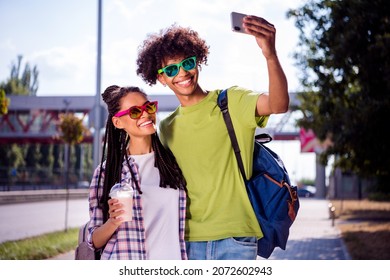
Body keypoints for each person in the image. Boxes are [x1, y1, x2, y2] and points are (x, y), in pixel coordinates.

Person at [135, 15, 289, 260]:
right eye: (171, 69)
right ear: (161, 78)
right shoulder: (165, 128)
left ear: (198, 61)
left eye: (187, 63)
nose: (182, 73)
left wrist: (270, 54)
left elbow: (279, 104)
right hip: (186, 241)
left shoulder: (232, 102)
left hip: (236, 238)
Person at [86, 85, 187, 260]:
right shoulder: (106, 172)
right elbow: (93, 240)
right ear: (118, 122)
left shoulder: (173, 162)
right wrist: (113, 221)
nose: (145, 114)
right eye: (134, 112)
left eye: (148, 107)